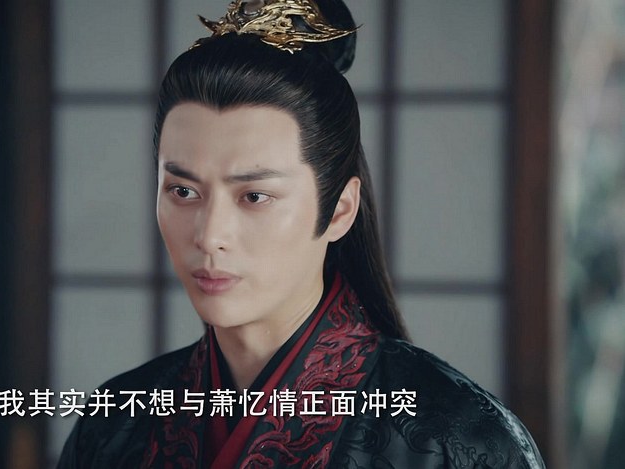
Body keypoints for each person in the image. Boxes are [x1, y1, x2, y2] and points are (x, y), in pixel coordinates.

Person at [57, 0, 545, 467]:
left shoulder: (457, 438)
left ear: (339, 210)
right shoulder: (116, 423)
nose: (209, 235)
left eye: (254, 196)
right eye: (183, 191)